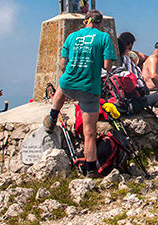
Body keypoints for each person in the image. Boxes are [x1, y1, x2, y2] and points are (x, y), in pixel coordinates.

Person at [42, 10, 116, 177]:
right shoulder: (104, 37)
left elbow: (62, 66)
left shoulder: (71, 37)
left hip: (69, 84)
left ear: (84, 22)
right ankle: (90, 169)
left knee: (62, 84)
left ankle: (52, 116)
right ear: (100, 23)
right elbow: (107, 66)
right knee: (89, 132)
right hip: (90, 88)